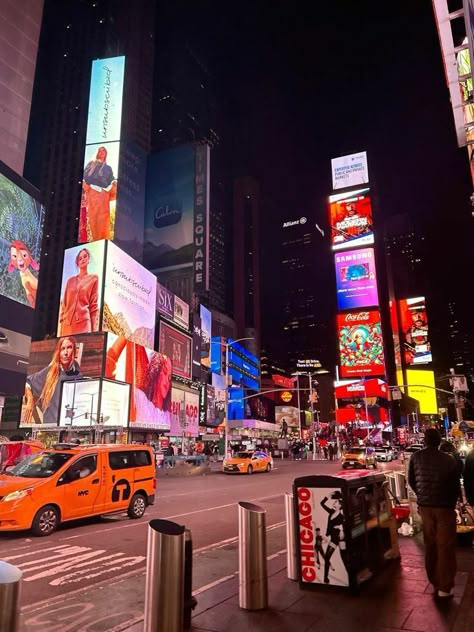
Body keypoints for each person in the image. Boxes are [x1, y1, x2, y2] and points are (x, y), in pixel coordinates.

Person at [408, 428, 460, 599]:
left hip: (425, 507)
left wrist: (422, 496)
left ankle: (433, 579)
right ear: (439, 442)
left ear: (424, 441)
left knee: (430, 545)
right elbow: (454, 486)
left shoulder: (416, 457)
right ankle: (444, 587)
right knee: (444, 546)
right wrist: (453, 505)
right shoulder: (448, 460)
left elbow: (411, 480)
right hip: (444, 507)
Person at [106, 336, 172, 425]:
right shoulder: (138, 396)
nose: (166, 381)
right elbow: (107, 366)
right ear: (156, 371)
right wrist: (125, 336)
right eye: (164, 372)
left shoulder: (167, 416)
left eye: (169, 377)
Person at [23, 336, 81, 424]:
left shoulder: (79, 375)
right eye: (62, 349)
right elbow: (27, 382)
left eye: (69, 348)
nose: (66, 352)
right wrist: (30, 398)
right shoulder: (50, 372)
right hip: (50, 428)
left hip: (70, 427)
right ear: (59, 352)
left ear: (74, 351)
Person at [58, 248, 99, 335]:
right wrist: (62, 322)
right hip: (67, 324)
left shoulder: (94, 278)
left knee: (82, 348)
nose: (82, 259)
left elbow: (94, 306)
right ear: (77, 263)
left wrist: (94, 332)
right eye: (80, 258)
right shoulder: (70, 281)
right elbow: (64, 304)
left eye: (85, 257)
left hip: (84, 324)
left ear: (88, 259)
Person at [82, 146, 116, 240]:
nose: (101, 152)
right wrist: (86, 187)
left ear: (106, 153)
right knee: (92, 219)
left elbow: (112, 180)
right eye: (99, 151)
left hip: (103, 194)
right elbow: (84, 177)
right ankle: (93, 241)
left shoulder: (108, 168)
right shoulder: (91, 164)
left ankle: (103, 242)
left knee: (103, 221)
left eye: (103, 150)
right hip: (91, 192)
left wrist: (113, 185)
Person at [320, 491, 348, 584]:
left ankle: (349, 575)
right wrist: (328, 496)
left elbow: (346, 525)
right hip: (333, 538)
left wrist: (341, 528)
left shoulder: (341, 516)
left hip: (340, 539)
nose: (334, 502)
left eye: (336, 502)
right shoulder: (331, 512)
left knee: (344, 557)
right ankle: (325, 578)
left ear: (340, 505)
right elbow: (322, 504)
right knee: (327, 557)